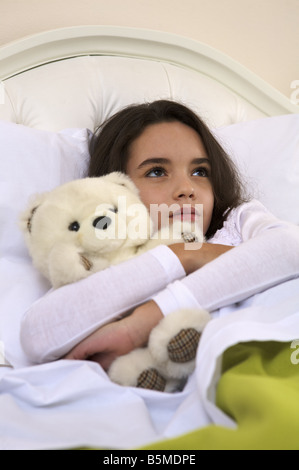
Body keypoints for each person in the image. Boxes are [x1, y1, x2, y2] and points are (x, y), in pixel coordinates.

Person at [20, 100, 299, 373]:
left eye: (200, 171)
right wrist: (178, 255)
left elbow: (290, 248)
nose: (187, 188)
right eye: (157, 171)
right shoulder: (102, 263)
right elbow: (38, 333)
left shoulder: (237, 223)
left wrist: (144, 320)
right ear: (115, 188)